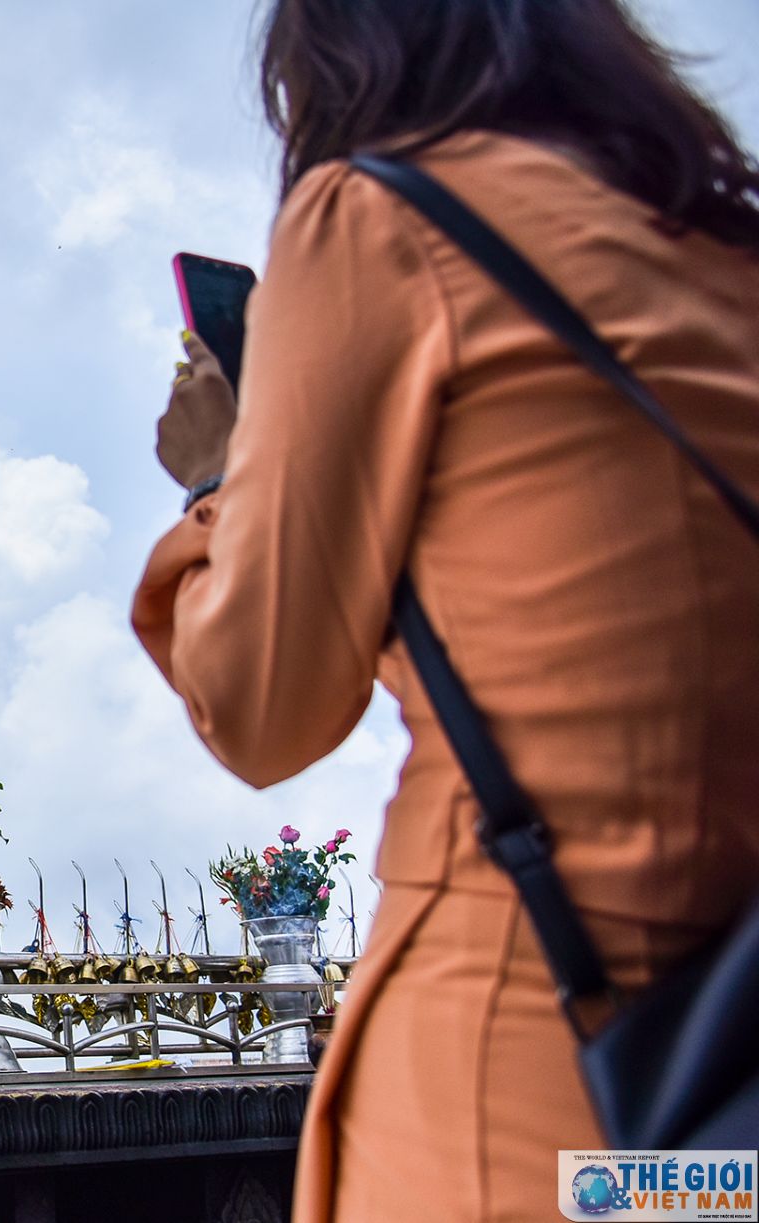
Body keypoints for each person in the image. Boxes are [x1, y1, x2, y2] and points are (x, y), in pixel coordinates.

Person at [132, 2, 759, 1220]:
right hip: (725, 1043)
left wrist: (221, 478)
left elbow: (264, 706)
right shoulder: (719, 248)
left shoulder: (374, 216)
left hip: (539, 1034)